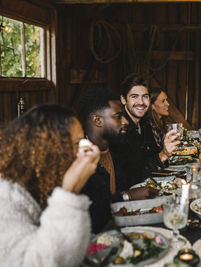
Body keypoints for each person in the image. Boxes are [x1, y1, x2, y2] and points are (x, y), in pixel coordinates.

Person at [0, 104, 100, 266]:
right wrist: (69, 194)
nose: (84, 152)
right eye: (76, 144)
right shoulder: (4, 198)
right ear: (47, 149)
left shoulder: (43, 183)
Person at [78, 87, 158, 233]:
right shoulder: (80, 160)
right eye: (118, 116)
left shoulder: (116, 150)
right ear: (97, 120)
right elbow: (91, 212)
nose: (125, 121)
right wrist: (127, 196)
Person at [118, 73, 179, 183]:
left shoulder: (144, 125)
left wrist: (165, 152)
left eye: (145, 96)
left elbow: (151, 157)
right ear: (123, 99)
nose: (141, 102)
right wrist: (163, 154)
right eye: (134, 96)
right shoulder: (120, 129)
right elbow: (131, 176)